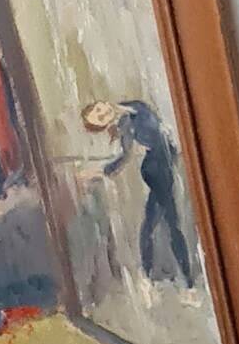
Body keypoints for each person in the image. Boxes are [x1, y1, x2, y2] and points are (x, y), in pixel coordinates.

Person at [82, 96, 196, 287]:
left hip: (163, 169)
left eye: (99, 110)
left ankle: (149, 276)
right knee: (169, 224)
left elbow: (161, 132)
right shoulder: (126, 126)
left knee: (153, 226)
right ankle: (182, 282)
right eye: (101, 118)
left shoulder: (133, 108)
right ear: (106, 124)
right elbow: (123, 158)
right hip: (157, 172)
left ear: (100, 102)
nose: (104, 113)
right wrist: (97, 172)